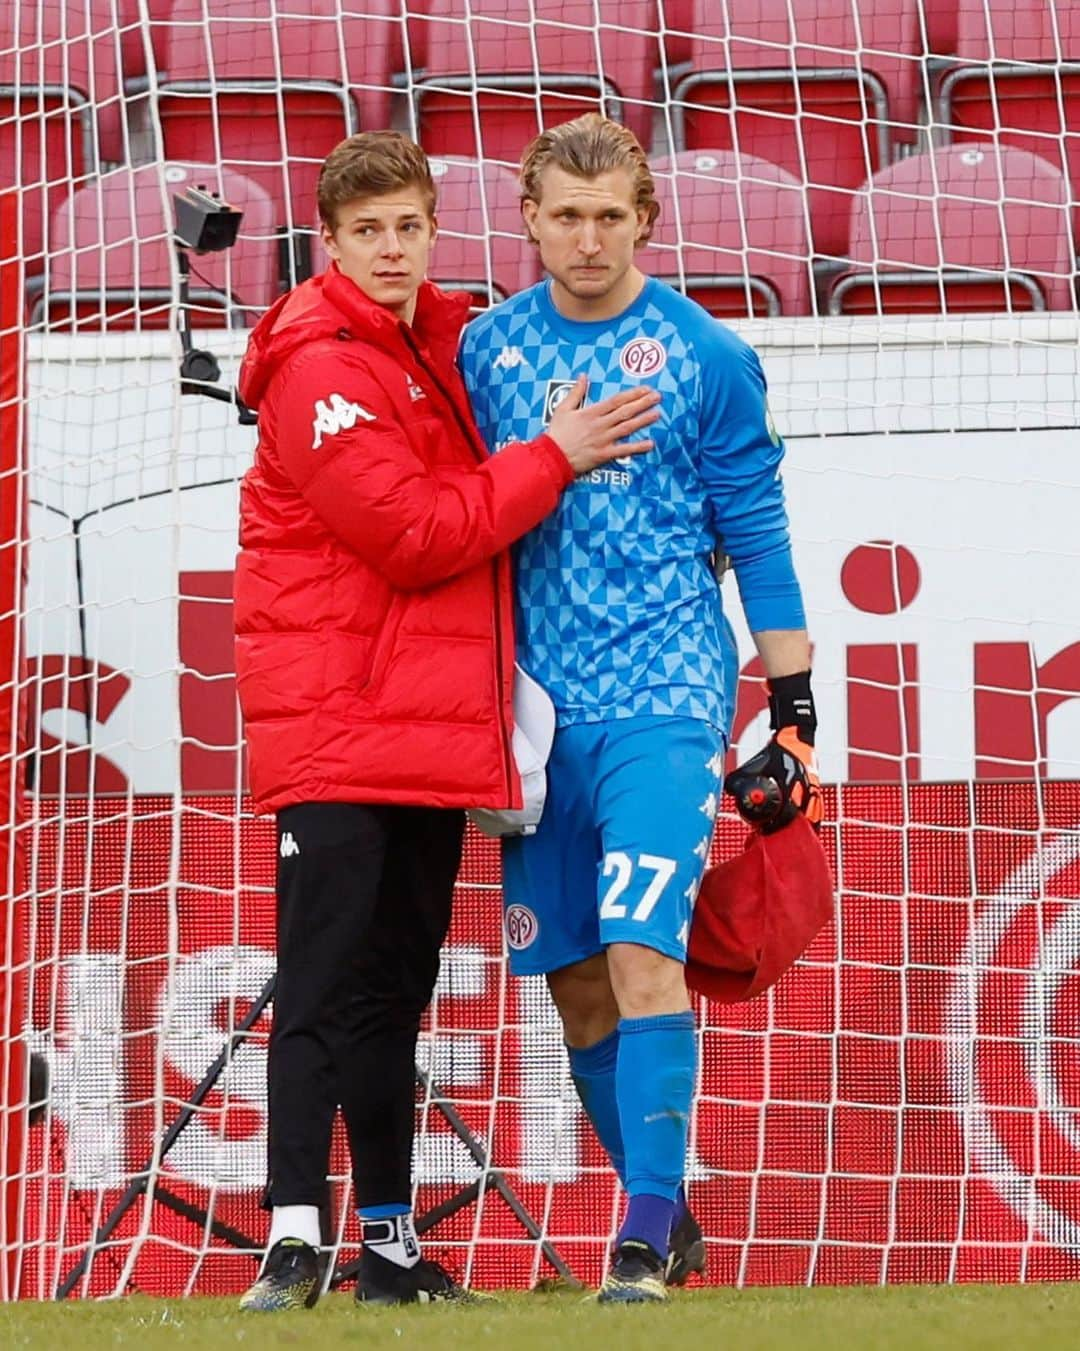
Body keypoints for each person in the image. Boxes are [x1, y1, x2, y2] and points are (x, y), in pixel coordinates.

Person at [232, 129, 661, 1312]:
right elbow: (417, 534)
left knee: (392, 996)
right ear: (327, 245)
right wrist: (554, 453)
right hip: (335, 724)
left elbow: (541, 324)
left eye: (408, 228)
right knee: (320, 986)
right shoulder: (321, 368)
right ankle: (288, 1239)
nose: (390, 250)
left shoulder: (440, 337)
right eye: (365, 232)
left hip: (425, 727)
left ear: (433, 229)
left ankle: (390, 1247)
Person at [459, 113, 822, 1305]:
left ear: (647, 219)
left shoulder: (706, 355)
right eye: (565, 214)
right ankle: (667, 1218)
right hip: (533, 718)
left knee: (639, 951)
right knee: (571, 978)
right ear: (528, 219)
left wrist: (795, 707)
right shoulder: (486, 354)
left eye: (610, 213)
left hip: (668, 696)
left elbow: (757, 533)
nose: (587, 237)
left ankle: (636, 1242)